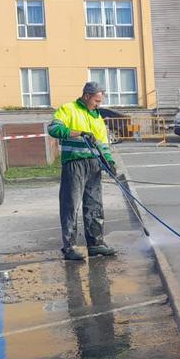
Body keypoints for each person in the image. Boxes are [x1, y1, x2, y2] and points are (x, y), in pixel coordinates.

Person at [48, 82, 118, 261]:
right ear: (86, 96)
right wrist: (78, 132)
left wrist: (109, 161)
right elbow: (53, 129)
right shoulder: (68, 109)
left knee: (94, 204)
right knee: (71, 204)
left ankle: (95, 243)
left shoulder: (97, 117)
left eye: (100, 101)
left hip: (94, 164)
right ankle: (69, 246)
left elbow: (103, 143)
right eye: (96, 101)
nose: (98, 105)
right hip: (75, 163)